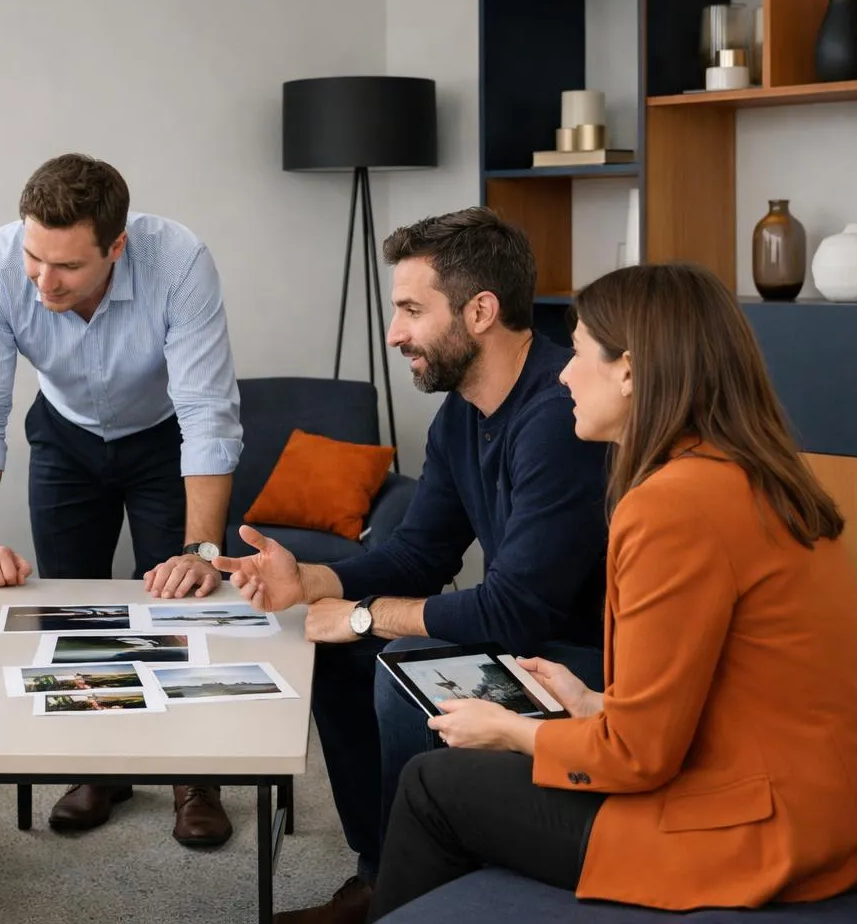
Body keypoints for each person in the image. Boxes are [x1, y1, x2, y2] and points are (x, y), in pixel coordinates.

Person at [370, 261, 857, 918]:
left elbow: (637, 757)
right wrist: (591, 702)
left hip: (762, 828)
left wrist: (509, 731)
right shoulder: (760, 476)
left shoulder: (672, 506)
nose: (561, 374)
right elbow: (741, 683)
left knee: (432, 786)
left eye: (579, 353)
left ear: (631, 371)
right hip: (844, 807)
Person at [216, 207, 612, 924]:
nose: (395, 333)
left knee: (402, 659)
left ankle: (416, 888)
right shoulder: (463, 412)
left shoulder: (562, 414)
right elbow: (421, 553)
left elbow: (515, 609)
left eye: (410, 310)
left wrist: (366, 614)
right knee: (338, 652)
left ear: (481, 311)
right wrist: (311, 581)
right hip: (530, 635)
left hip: (591, 665)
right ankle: (380, 876)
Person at [0, 153, 243, 845]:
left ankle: (195, 780)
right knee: (72, 611)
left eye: (68, 267)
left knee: (182, 600)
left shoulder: (180, 262)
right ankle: (100, 768)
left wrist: (201, 552)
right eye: (34, 258)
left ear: (117, 246)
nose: (44, 282)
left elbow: (207, 414)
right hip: (66, 436)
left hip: (163, 437)